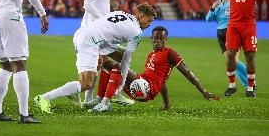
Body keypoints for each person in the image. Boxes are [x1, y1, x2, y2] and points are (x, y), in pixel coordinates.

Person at [34, 4, 157, 113]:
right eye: (149, 21)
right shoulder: (136, 32)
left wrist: (120, 50)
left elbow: (107, 34)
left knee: (105, 61)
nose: (149, 24)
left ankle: (85, 95)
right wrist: (120, 87)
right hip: (91, 41)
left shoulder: (121, 14)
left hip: (82, 34)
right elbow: (126, 61)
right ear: (141, 17)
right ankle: (44, 98)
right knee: (87, 83)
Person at [172, 0, 269, 97]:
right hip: (233, 26)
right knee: (230, 56)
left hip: (249, 26)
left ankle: (251, 88)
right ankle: (232, 85)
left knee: (250, 57)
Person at [85, 26, 219, 112]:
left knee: (119, 66)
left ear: (166, 39)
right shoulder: (152, 55)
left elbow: (187, 72)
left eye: (161, 38)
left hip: (146, 88)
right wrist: (167, 104)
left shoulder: (169, 53)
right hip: (141, 84)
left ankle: (106, 102)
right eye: (156, 38)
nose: (158, 41)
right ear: (151, 39)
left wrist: (203, 90)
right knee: (105, 62)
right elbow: (162, 83)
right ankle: (100, 98)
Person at [73, 0, 123, 103]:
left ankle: (90, 99)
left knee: (98, 64)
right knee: (118, 58)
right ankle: (114, 93)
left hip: (97, 32)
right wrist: (104, 20)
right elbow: (87, 4)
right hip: (93, 32)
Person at [206, 0, 249, 91]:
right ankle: (248, 84)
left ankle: (251, 80)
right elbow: (208, 19)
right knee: (232, 62)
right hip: (220, 34)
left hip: (232, 32)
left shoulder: (234, 2)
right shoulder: (218, 4)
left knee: (234, 61)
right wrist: (212, 8)